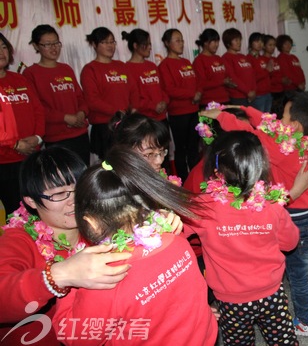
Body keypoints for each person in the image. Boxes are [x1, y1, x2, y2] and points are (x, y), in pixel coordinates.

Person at [200, 92, 308, 337]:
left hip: (298, 218)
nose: (275, 119)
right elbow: (268, 121)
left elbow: (251, 135)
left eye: (282, 115)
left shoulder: (279, 147)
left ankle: (306, 321)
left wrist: (222, 115)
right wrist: (244, 107)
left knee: (299, 275)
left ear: (293, 124)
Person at [52, 148, 218, 345]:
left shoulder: (103, 278)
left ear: (91, 222)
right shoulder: (175, 238)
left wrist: (70, 280)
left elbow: (73, 336)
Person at [0, 147, 132, 344]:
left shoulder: (99, 225)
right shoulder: (18, 239)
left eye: (78, 189)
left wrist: (159, 223)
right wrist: (58, 276)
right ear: (31, 201)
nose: (74, 201)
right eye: (59, 194)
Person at [188, 131, 299, 345]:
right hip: (271, 294)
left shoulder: (203, 207)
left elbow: (176, 232)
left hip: (230, 299)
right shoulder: (272, 205)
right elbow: (290, 242)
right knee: (283, 340)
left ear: (216, 170)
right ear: (261, 166)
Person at [23, 24, 90, 165]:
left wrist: (82, 113)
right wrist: (65, 118)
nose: (54, 48)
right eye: (47, 44)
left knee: (84, 177)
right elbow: (37, 108)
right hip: (56, 137)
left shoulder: (66, 69)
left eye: (56, 43)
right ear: (36, 46)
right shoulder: (31, 73)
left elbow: (80, 97)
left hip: (80, 134)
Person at [0, 32, 45, 214]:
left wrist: (37, 137)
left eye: (3, 47)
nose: (1, 52)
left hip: (31, 157)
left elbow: (38, 110)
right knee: (15, 213)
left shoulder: (20, 79)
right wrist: (15, 143)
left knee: (37, 209)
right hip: (5, 161)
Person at [81, 27, 139, 160]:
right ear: (94, 45)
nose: (110, 45)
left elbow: (133, 89)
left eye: (112, 42)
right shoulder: (90, 69)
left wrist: (134, 108)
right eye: (105, 42)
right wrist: (118, 112)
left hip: (126, 124)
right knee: (110, 165)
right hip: (105, 126)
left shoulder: (121, 66)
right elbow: (92, 100)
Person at [158, 28, 201, 181]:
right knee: (181, 149)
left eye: (182, 40)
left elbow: (196, 82)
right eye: (177, 40)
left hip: (193, 110)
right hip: (178, 113)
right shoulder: (165, 65)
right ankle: (183, 180)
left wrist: (197, 93)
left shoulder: (187, 62)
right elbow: (170, 89)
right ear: (167, 43)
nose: (181, 43)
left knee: (194, 148)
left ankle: (196, 178)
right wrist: (191, 94)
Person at [121, 28, 169, 125]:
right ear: (135, 45)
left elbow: (162, 88)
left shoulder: (152, 66)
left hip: (161, 117)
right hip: (144, 120)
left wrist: (164, 101)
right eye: (146, 44)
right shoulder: (126, 69)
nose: (149, 47)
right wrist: (152, 106)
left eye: (150, 44)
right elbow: (132, 97)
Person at [193, 28, 233, 106]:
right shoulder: (199, 60)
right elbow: (201, 84)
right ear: (205, 42)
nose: (216, 44)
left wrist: (230, 82)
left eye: (218, 41)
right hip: (209, 103)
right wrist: (222, 81)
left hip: (225, 100)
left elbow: (227, 76)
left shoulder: (219, 58)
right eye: (214, 41)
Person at [221, 28, 256, 106]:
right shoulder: (226, 58)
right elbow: (233, 77)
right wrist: (248, 92)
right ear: (228, 43)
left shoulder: (243, 56)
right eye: (236, 40)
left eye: (240, 40)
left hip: (251, 96)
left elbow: (252, 74)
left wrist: (253, 90)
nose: (239, 42)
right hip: (238, 97)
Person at [247, 32, 272, 112]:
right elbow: (252, 78)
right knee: (259, 120)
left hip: (268, 93)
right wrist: (267, 71)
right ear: (251, 43)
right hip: (258, 95)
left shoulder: (263, 58)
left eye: (261, 41)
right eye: (257, 41)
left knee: (267, 120)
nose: (260, 44)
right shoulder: (248, 58)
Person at [262, 34, 284, 115]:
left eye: (274, 45)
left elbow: (280, 73)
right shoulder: (262, 60)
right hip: (271, 91)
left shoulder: (275, 59)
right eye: (270, 45)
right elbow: (267, 76)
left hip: (280, 90)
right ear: (264, 46)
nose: (272, 47)